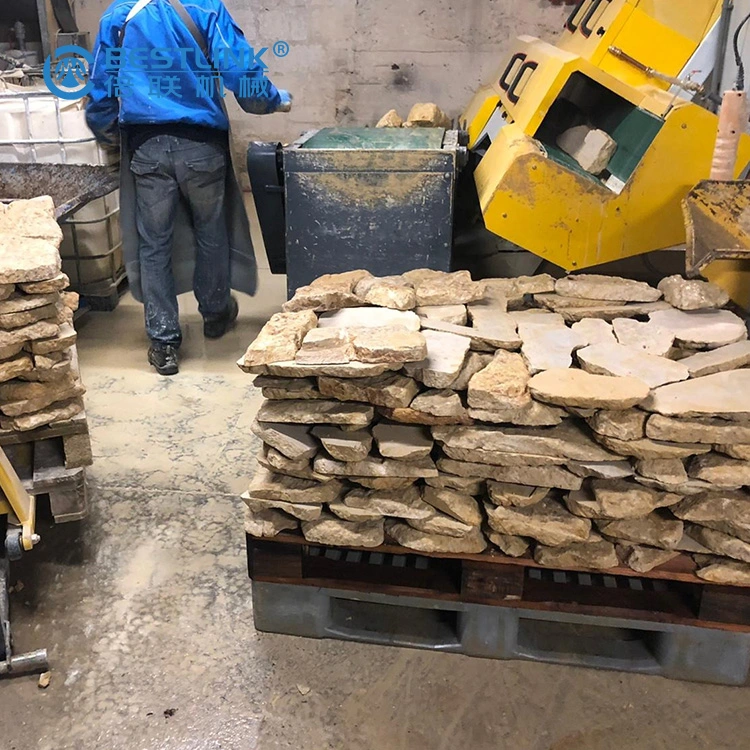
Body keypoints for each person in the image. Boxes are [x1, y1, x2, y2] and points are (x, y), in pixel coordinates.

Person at [86, 0, 291, 375]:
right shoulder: (205, 8)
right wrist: (273, 101)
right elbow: (240, 69)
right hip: (202, 146)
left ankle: (163, 342)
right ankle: (215, 313)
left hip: (146, 146)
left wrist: (109, 135)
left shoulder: (119, 16)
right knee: (210, 231)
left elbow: (101, 89)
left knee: (153, 243)